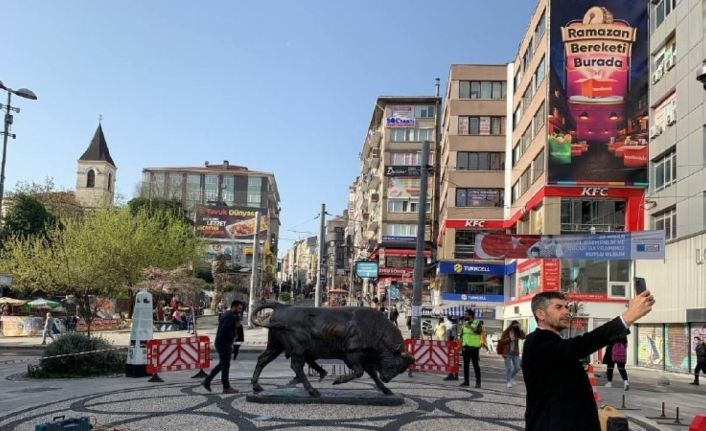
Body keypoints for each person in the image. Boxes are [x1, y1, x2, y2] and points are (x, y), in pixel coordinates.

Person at [522, 291, 654, 431]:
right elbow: (582, 344)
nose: (567, 312)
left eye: (567, 307)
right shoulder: (537, 341)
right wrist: (627, 317)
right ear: (541, 314)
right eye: (559, 307)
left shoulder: (553, 342)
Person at [202, 300, 243, 394]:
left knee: (223, 364)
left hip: (221, 343)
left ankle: (207, 381)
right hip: (223, 344)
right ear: (234, 307)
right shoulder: (230, 316)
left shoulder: (228, 314)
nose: (240, 310)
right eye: (239, 308)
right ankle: (226, 387)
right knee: (225, 365)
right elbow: (224, 329)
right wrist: (233, 337)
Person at [498, 320, 526, 388]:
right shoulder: (506, 332)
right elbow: (501, 341)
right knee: (508, 368)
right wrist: (509, 339)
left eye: (517, 325)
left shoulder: (517, 332)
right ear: (512, 325)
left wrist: (520, 328)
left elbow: (523, 337)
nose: (515, 327)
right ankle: (508, 382)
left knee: (517, 367)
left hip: (515, 352)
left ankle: (511, 377)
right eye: (515, 325)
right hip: (507, 352)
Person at [460, 309, 483, 388]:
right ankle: (466, 381)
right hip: (465, 347)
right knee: (466, 365)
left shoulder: (477, 323)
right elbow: (462, 335)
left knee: (475, 365)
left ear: (470, 315)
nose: (464, 315)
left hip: (474, 347)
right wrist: (461, 346)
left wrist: (469, 326)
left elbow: (479, 332)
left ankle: (478, 382)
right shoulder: (464, 324)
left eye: (466, 314)